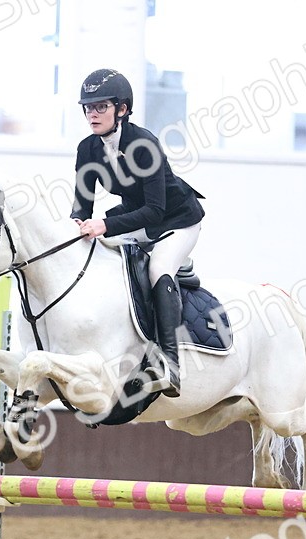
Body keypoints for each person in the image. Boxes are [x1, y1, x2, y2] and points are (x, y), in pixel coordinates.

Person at [70, 68, 205, 398]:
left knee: (159, 268)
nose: (92, 114)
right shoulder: (87, 149)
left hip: (175, 220)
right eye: (87, 107)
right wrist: (76, 229)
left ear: (122, 109)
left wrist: (105, 225)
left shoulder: (144, 144)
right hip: (136, 217)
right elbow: (81, 207)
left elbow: (156, 210)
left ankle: (170, 365)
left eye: (101, 106)